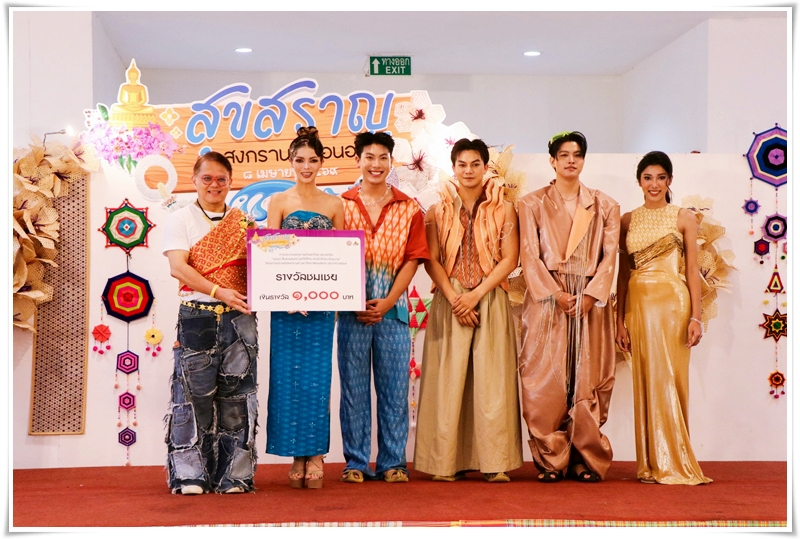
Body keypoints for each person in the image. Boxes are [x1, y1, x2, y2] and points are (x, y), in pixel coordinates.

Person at [413, 138, 523, 482]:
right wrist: (454, 297)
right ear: (453, 167)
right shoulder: (437, 210)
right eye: (462, 164)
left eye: (475, 164)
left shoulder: (504, 209)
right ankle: (446, 463)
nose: (468, 170)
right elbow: (431, 259)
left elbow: (510, 259)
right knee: (447, 381)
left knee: (493, 381)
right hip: (450, 300)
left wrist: (476, 295)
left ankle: (495, 462)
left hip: (489, 297)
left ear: (486, 167)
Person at [517, 131, 620, 483]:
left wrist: (590, 296)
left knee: (588, 377)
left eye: (577, 154)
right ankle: (551, 458)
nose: (571, 160)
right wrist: (555, 294)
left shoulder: (605, 205)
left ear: (584, 160)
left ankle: (584, 458)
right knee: (545, 377)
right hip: (548, 299)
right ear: (552, 160)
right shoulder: (531, 204)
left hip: (589, 300)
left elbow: (610, 257)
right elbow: (529, 256)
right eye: (564, 155)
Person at [163, 151, 258, 495]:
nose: (214, 185)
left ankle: (234, 475)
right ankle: (190, 474)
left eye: (221, 179)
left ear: (230, 182)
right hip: (197, 316)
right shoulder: (180, 218)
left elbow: (264, 268)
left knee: (238, 399)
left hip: (240, 319)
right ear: (194, 180)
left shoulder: (245, 222)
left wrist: (291, 294)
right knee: (193, 397)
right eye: (207, 178)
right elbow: (178, 267)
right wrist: (219, 292)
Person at [615, 151, 712, 485]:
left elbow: (692, 272)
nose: (654, 184)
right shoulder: (627, 220)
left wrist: (696, 317)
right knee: (645, 379)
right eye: (647, 178)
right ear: (639, 181)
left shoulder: (684, 217)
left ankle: (676, 460)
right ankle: (650, 464)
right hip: (639, 308)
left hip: (673, 305)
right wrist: (618, 321)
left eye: (660, 177)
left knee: (670, 378)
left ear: (670, 180)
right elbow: (623, 274)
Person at [337, 131, 430, 483]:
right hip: (351, 314)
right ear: (358, 160)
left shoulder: (409, 208)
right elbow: (331, 259)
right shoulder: (340, 205)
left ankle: (393, 462)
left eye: (383, 158)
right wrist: (352, 301)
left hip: (395, 314)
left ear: (391, 162)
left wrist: (389, 301)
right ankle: (356, 463)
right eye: (369, 157)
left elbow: (413, 259)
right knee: (354, 391)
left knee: (394, 391)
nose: (376, 164)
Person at [265, 127, 344, 489]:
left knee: (317, 380)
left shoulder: (334, 204)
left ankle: (316, 455)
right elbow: (269, 253)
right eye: (300, 160)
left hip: (322, 306)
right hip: (286, 307)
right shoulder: (279, 201)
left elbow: (342, 256)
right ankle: (296, 455)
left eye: (313, 160)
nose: (306, 166)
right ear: (291, 162)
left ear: (321, 163)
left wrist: (334, 297)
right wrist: (287, 297)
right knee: (287, 379)